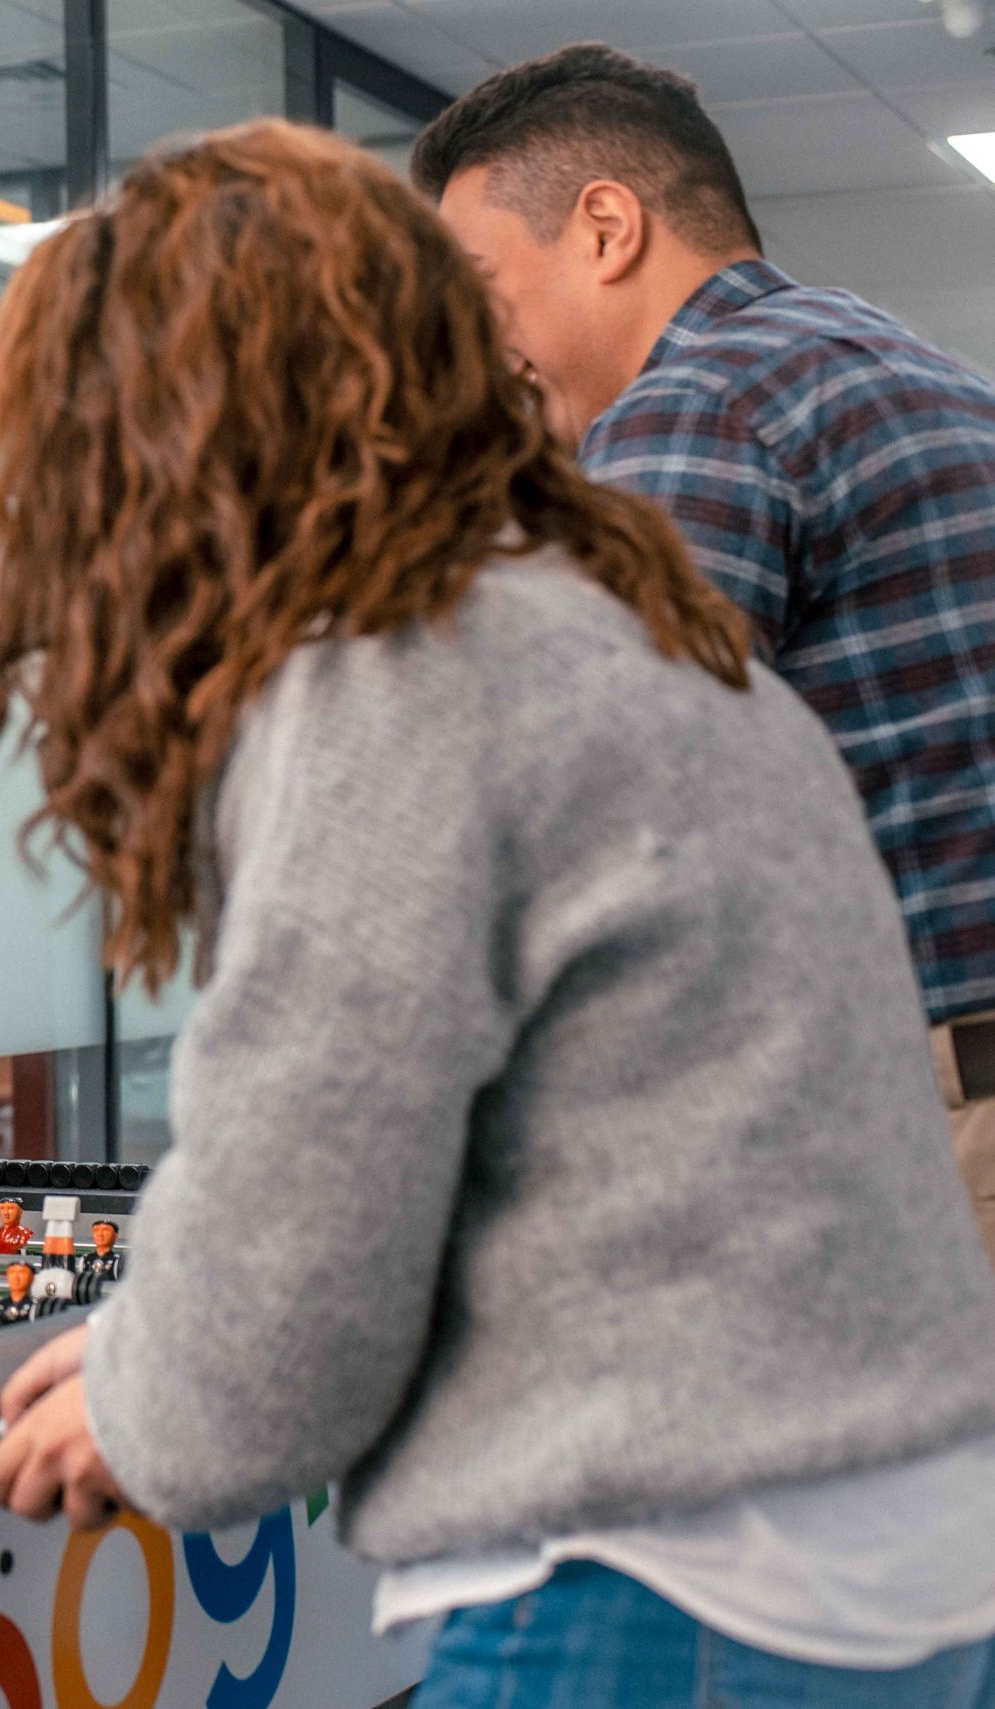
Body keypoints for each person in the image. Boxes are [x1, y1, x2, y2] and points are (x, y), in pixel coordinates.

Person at [0, 122, 995, 1706]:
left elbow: (302, 1269)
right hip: (891, 1567)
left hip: (661, 1584)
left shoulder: (398, 675)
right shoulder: (620, 622)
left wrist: (151, 1397)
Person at [414, 44, 995, 1266]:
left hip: (928, 1116)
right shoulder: (921, 374)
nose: (481, 344)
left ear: (606, 225)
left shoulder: (696, 406)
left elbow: (587, 830)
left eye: (480, 286)